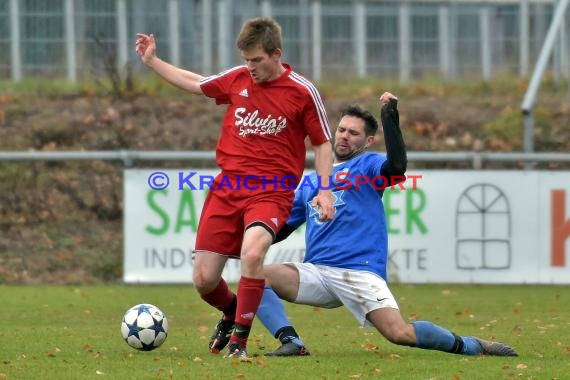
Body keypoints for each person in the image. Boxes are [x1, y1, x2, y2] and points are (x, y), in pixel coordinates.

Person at [256, 92, 518, 358]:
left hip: (358, 272)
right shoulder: (314, 182)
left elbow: (397, 167)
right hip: (319, 274)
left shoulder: (368, 166)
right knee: (255, 273)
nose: (345, 136)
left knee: (399, 333)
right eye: (342, 130)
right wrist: (241, 247)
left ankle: (472, 345)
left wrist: (390, 117)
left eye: (354, 133)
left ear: (368, 141)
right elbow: (280, 230)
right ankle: (292, 342)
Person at [135, 17, 335, 359]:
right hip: (227, 189)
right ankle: (231, 310)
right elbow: (197, 82)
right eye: (246, 60)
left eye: (256, 60)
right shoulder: (238, 79)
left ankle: (239, 343)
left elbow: (323, 144)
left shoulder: (302, 91)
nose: (250, 67)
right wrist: (153, 62)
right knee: (204, 279)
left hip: (271, 192)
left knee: (253, 254)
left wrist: (326, 189)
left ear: (276, 54)